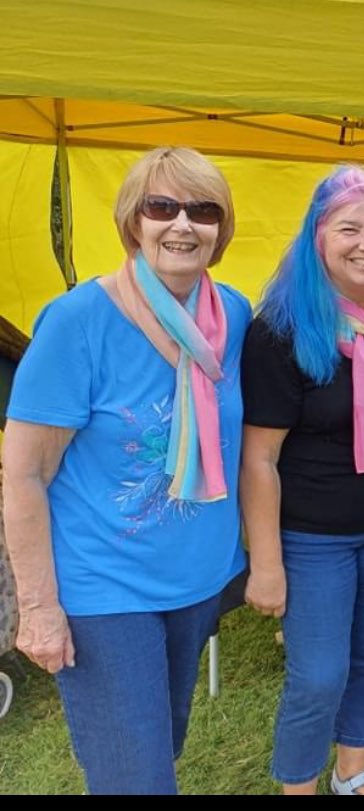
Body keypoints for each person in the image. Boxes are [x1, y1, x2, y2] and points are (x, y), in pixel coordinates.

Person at [1, 146, 249, 794]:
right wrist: (38, 607)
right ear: (133, 220)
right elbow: (23, 473)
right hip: (104, 586)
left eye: (203, 210)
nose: (182, 224)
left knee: (160, 746)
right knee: (134, 777)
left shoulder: (232, 315)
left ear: (222, 228)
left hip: (195, 581)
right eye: (162, 207)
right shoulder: (78, 321)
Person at [241, 166, 364, 795]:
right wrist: (266, 564)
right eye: (350, 229)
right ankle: (297, 785)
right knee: (319, 674)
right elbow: (258, 459)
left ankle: (353, 770)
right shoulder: (278, 331)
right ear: (318, 236)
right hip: (312, 538)